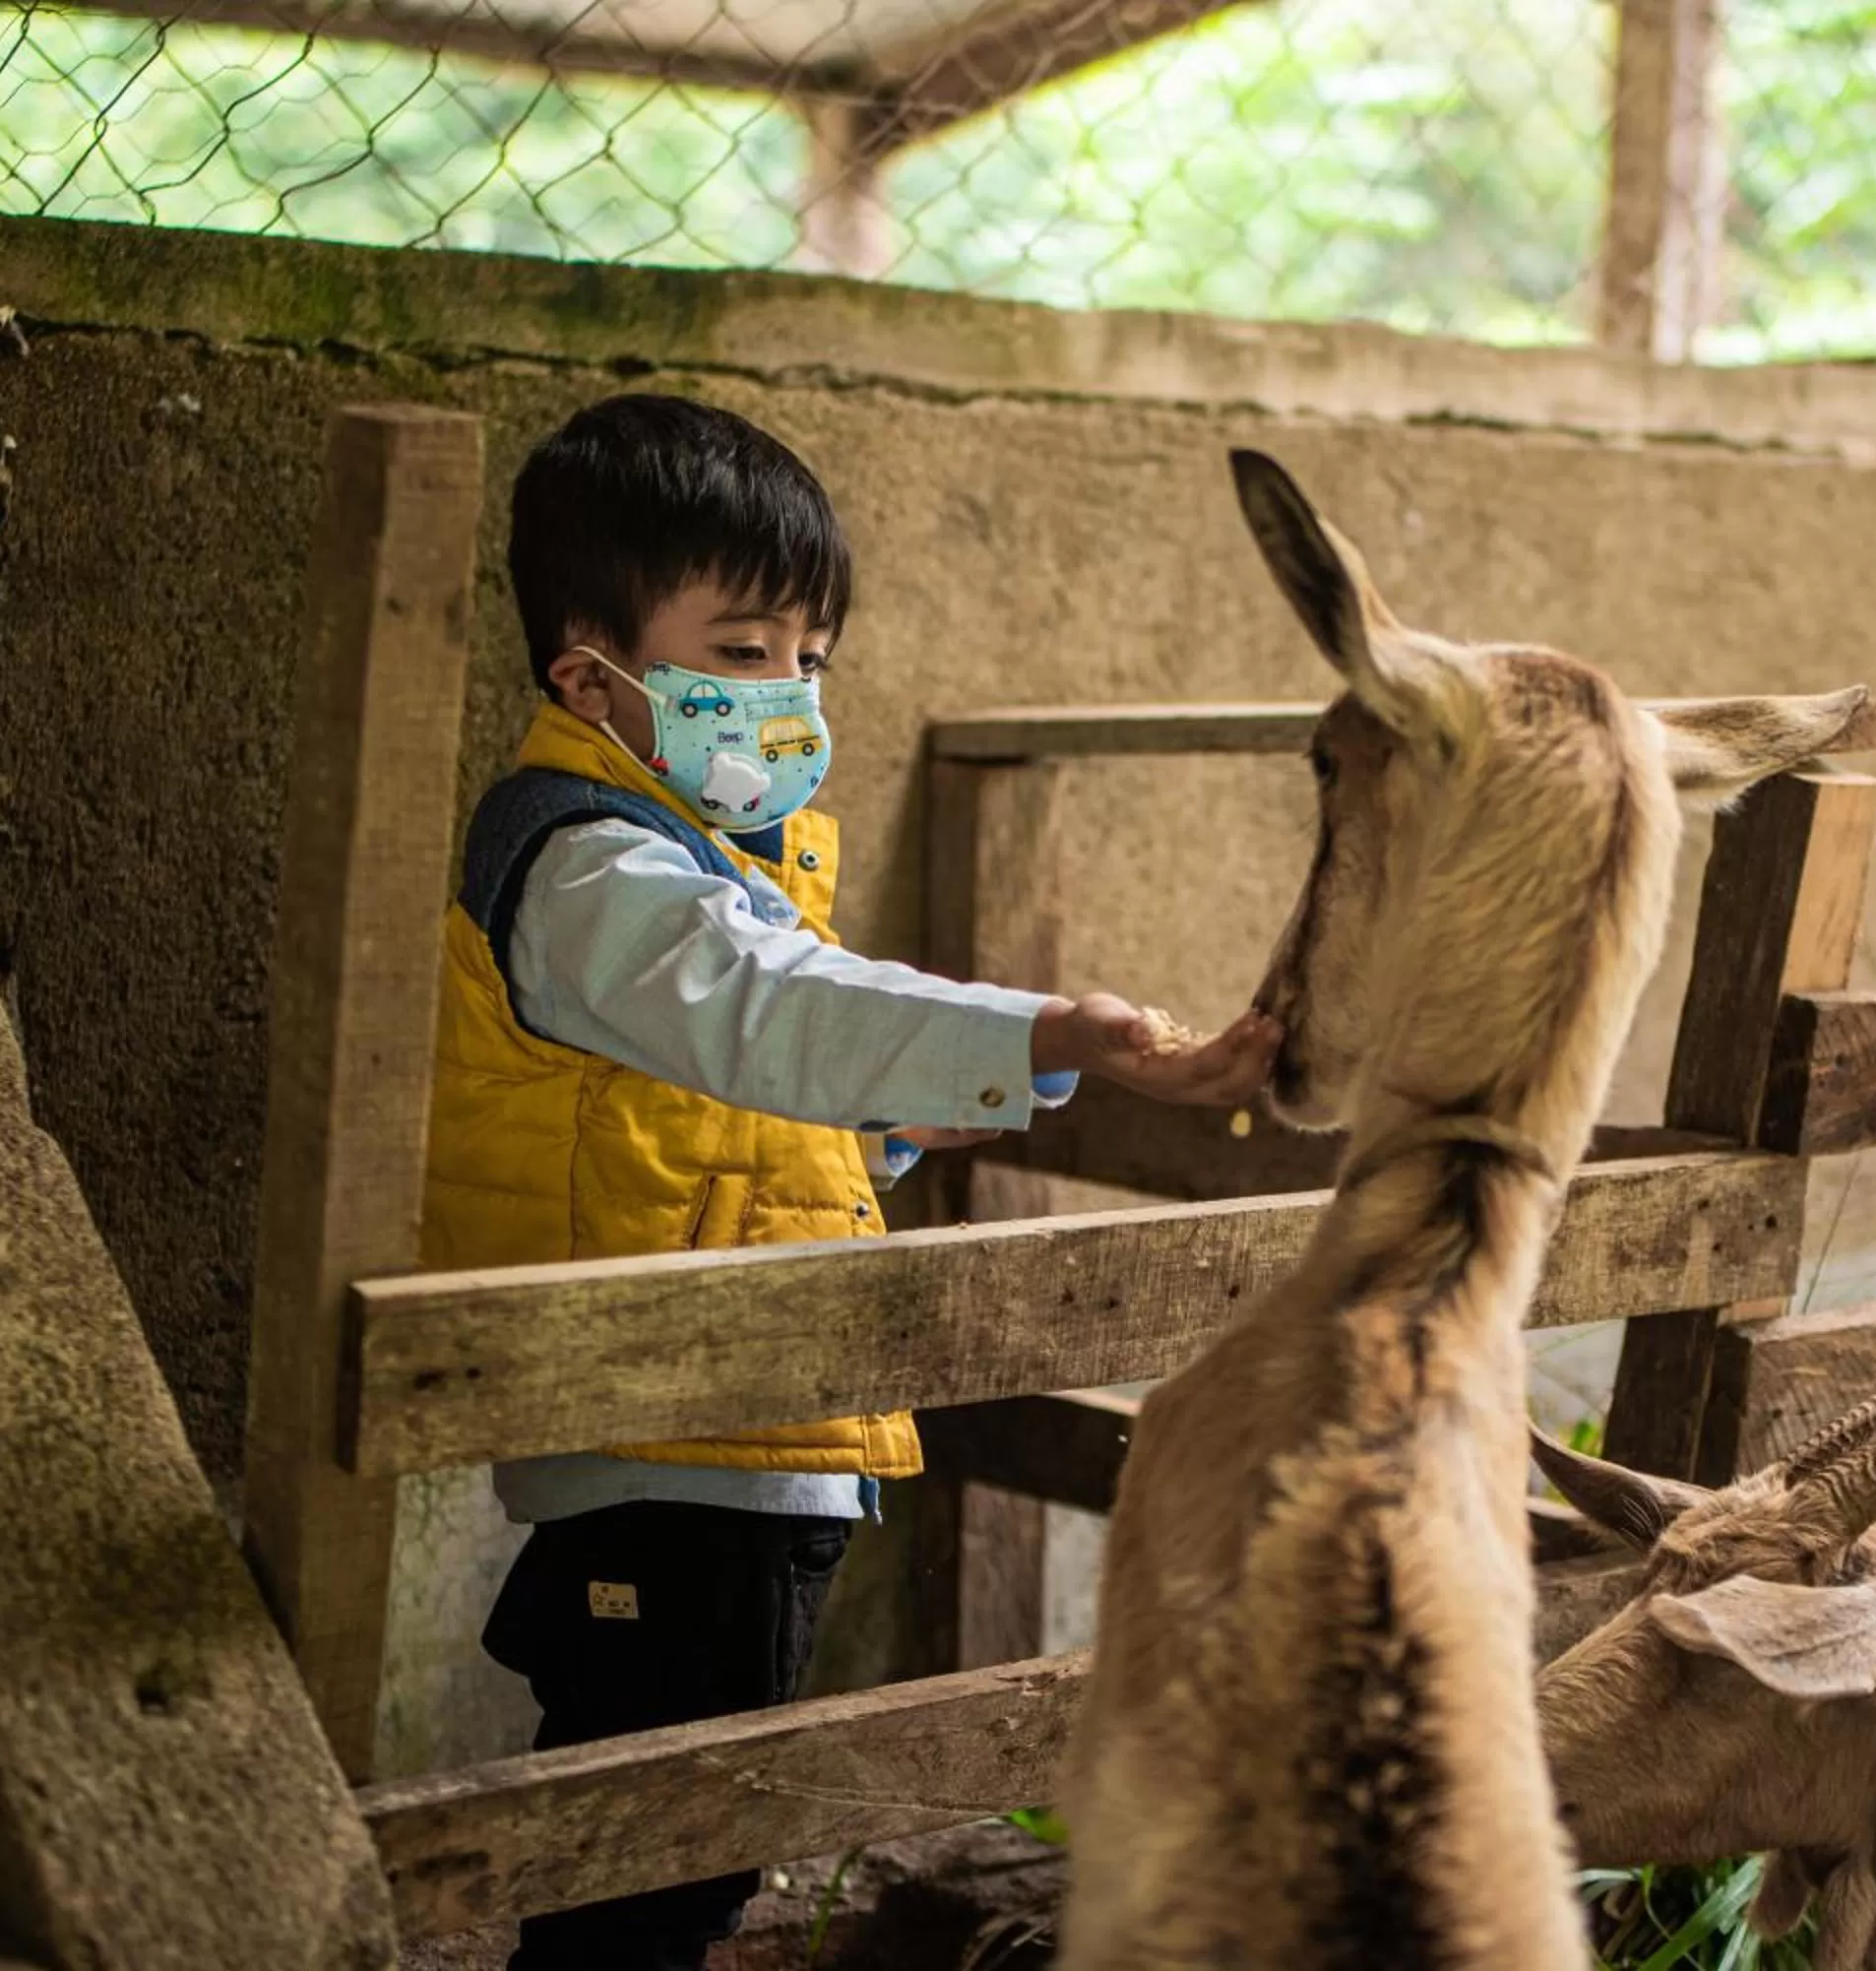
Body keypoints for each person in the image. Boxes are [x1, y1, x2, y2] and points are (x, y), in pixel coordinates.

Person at [423, 395, 1275, 1970]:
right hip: (676, 1440)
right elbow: (774, 1019)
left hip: (736, 1439)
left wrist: (892, 1132)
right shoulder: (590, 866)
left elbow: (733, 1101)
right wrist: (1028, 1031)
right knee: (655, 1869)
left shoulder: (703, 872)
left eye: (810, 657)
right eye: (741, 651)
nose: (791, 695)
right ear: (585, 672)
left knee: (678, 1851)